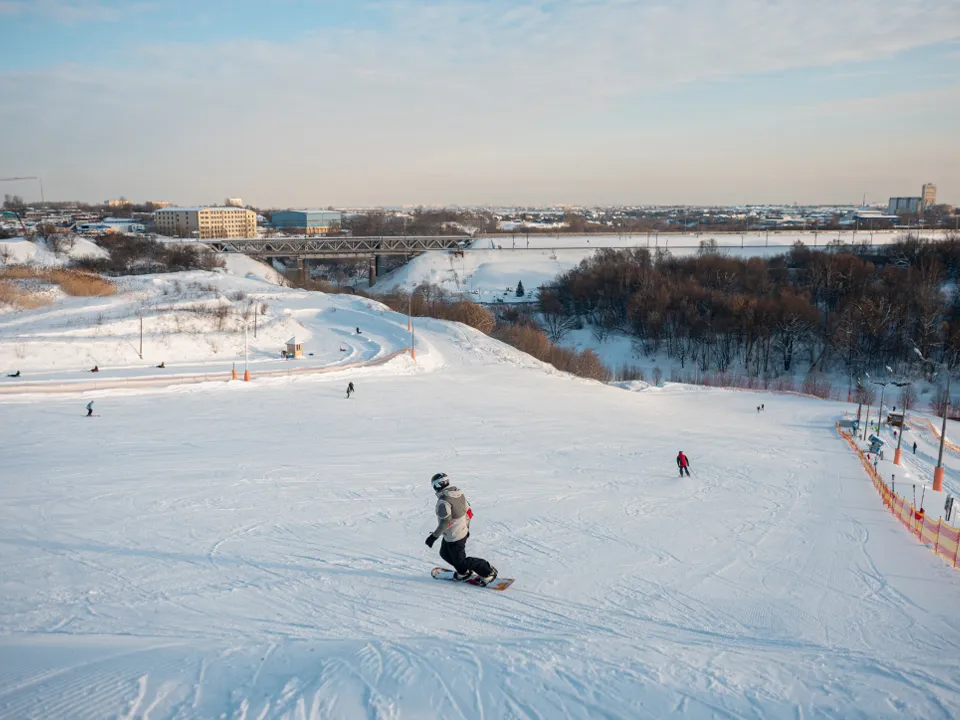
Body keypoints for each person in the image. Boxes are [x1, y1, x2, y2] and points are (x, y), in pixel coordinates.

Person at [425, 472, 497, 585]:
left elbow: (445, 523)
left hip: (455, 536)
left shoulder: (443, 502)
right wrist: (465, 527)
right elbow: (469, 512)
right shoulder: (458, 493)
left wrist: (433, 537)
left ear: (437, 485)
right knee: (445, 553)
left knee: (461, 561)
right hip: (454, 533)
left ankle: (488, 572)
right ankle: (463, 572)